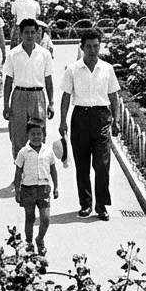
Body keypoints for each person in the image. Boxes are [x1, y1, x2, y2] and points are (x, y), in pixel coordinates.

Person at [58, 29, 120, 220]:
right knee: (82, 164)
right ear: (82, 47)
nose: (92, 50)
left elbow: (113, 96)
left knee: (102, 165)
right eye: (88, 46)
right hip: (80, 118)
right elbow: (66, 96)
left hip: (101, 117)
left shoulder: (107, 68)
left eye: (96, 46)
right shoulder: (73, 69)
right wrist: (62, 121)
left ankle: (101, 206)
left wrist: (116, 120)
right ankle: (85, 204)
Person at [3, 18, 55, 159]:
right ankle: (20, 175)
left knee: (38, 135)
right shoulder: (13, 54)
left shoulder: (44, 54)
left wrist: (51, 103)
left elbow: (48, 81)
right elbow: (8, 81)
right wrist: (6, 105)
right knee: (18, 136)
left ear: (38, 34)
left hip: (37, 96)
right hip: (19, 95)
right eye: (26, 32)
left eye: (33, 32)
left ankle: (38, 171)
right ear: (20, 34)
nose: (30, 36)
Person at [14, 119, 59, 258]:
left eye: (39, 134)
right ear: (28, 135)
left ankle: (40, 239)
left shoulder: (48, 151)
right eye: (33, 134)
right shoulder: (23, 152)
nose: (36, 137)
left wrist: (56, 187)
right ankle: (29, 242)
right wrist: (17, 190)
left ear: (43, 135)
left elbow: (53, 170)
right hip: (28, 189)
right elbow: (18, 173)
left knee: (45, 219)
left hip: (44, 189)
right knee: (30, 217)